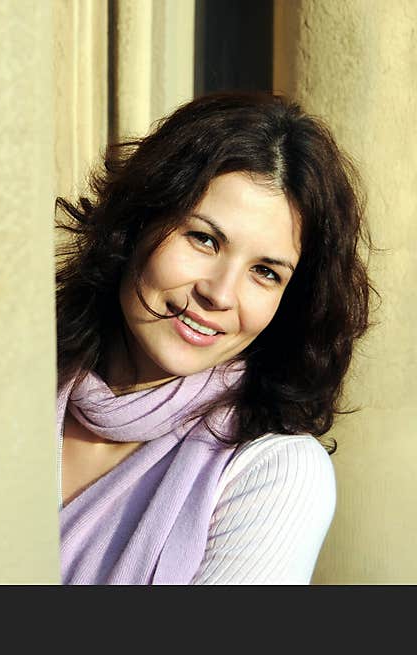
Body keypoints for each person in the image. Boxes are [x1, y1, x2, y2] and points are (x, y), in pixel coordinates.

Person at [54, 92, 374, 584]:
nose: (220, 294)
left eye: (265, 272)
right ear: (139, 222)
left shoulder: (273, 473)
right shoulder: (5, 387)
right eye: (204, 239)